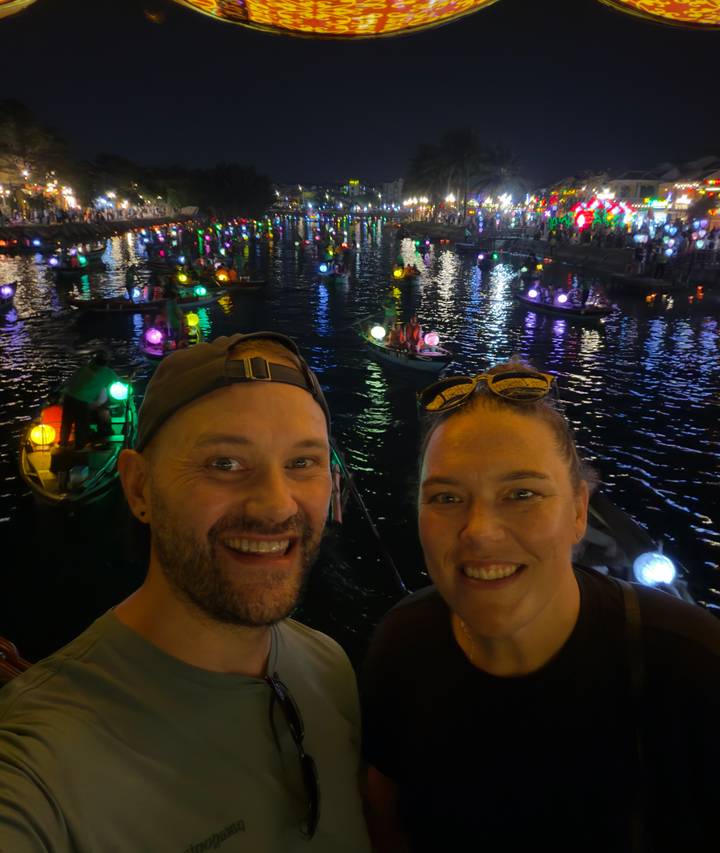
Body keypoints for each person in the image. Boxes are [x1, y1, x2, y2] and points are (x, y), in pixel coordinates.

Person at [0, 333, 372, 852]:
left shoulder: (329, 667)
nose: (274, 505)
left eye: (302, 463)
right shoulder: (40, 760)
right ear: (138, 488)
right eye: (224, 462)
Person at [361, 360, 720, 852]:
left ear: (578, 513)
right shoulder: (401, 646)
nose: (480, 531)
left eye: (522, 493)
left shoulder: (692, 665)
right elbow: (387, 814)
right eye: (446, 498)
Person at [58, 349, 118, 448]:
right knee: (81, 424)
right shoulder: (108, 373)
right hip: (83, 401)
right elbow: (118, 381)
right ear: (107, 362)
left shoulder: (85, 368)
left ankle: (63, 444)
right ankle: (80, 446)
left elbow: (70, 381)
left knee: (66, 422)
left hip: (69, 397)